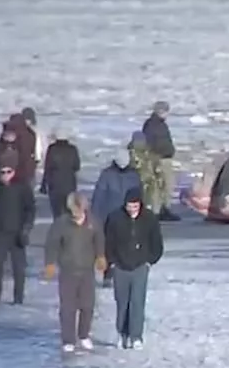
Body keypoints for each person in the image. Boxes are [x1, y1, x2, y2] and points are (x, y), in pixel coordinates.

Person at [44, 193, 106, 352]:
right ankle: (68, 340)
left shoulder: (93, 222)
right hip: (68, 271)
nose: (76, 213)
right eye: (73, 210)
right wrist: (50, 263)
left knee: (87, 305)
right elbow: (52, 244)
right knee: (67, 307)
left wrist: (100, 256)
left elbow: (99, 240)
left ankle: (84, 335)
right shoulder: (61, 224)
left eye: (78, 210)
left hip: (87, 271)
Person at [104, 189, 164, 350]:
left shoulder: (149, 218)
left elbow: (156, 242)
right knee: (122, 302)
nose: (132, 209)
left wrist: (150, 260)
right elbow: (108, 242)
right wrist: (112, 262)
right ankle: (122, 333)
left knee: (137, 302)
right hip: (120, 267)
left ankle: (136, 335)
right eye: (130, 206)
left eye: (135, 206)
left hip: (140, 266)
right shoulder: (115, 218)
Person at [91, 144, 144, 287]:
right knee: (117, 246)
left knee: (116, 246)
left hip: (116, 216)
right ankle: (114, 273)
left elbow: (99, 197)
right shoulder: (132, 175)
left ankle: (115, 274)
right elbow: (139, 196)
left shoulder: (109, 174)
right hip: (119, 216)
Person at [0, 157, 35, 304]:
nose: (6, 174)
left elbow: (30, 209)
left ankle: (18, 297)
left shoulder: (22, 187)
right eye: (2, 172)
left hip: (17, 233)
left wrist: (26, 228)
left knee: (18, 268)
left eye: (9, 171)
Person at [142, 101, 180, 221]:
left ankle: (164, 208)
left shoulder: (160, 124)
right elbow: (150, 143)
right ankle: (158, 210)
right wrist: (155, 159)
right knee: (160, 186)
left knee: (167, 186)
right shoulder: (152, 125)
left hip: (164, 158)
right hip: (159, 159)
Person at [39, 130, 81, 219]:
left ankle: (58, 228)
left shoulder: (52, 148)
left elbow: (47, 167)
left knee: (57, 212)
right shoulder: (73, 149)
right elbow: (77, 166)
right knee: (69, 210)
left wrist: (43, 185)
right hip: (69, 184)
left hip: (54, 184)